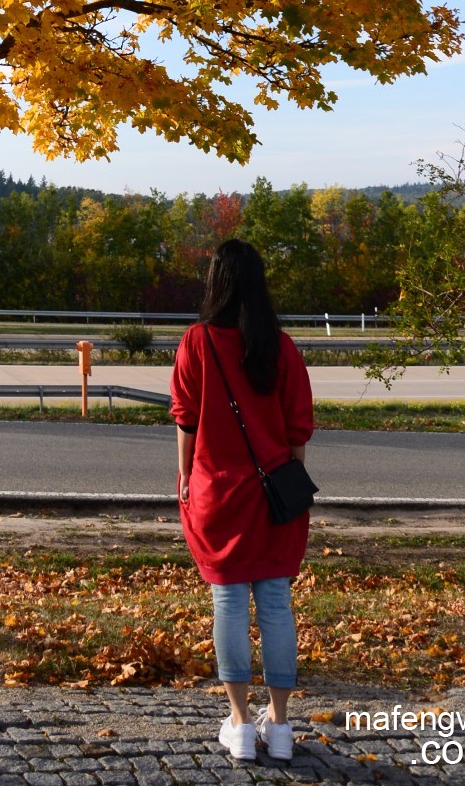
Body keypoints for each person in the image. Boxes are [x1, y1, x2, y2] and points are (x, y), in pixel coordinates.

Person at [169, 238, 315, 764]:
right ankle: (278, 728)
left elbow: (186, 417)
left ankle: (237, 723)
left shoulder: (197, 342)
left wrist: (184, 474)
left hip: (218, 493)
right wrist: (291, 472)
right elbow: (299, 426)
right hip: (275, 495)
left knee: (228, 603)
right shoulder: (282, 346)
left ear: (216, 282)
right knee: (276, 604)